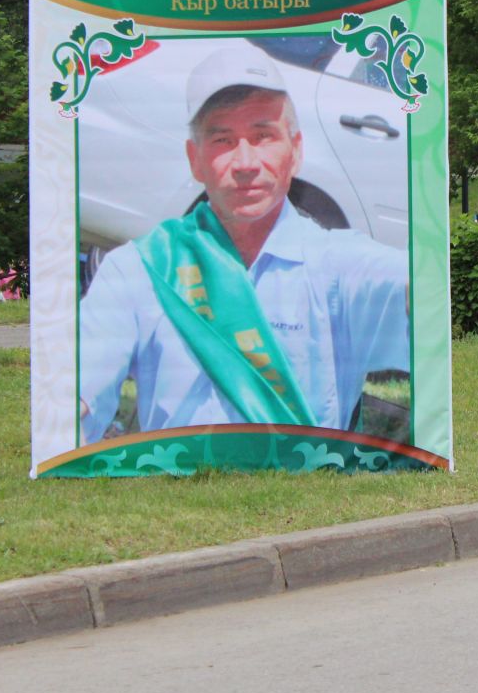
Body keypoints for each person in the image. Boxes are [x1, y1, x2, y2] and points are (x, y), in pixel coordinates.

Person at [78, 44, 409, 445]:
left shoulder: (340, 265)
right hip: (177, 496)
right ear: (194, 159)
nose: (246, 162)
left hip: (308, 499)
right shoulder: (136, 272)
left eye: (263, 135)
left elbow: (420, 297)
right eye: (223, 140)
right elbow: (75, 403)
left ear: (296, 151)